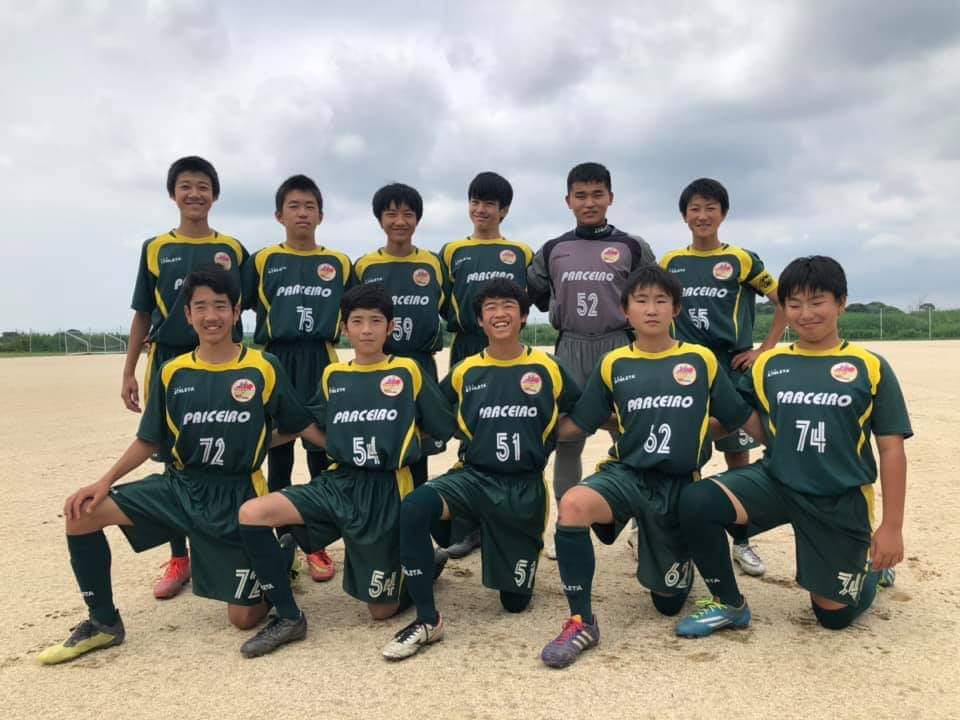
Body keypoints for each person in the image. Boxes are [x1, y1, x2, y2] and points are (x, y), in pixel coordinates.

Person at [38, 265, 323, 665]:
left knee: (243, 620)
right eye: (200, 306)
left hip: (237, 495)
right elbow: (149, 439)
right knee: (82, 514)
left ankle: (276, 557)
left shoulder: (263, 367)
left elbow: (298, 423)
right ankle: (103, 622)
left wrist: (340, 452)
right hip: (180, 486)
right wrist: (103, 481)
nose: (211, 316)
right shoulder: (172, 371)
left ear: (236, 312)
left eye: (220, 306)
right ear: (187, 315)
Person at [537, 265, 763, 668]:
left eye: (661, 300)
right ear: (625, 310)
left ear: (676, 309)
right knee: (573, 505)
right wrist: (529, 426)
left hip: (680, 485)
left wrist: (784, 446)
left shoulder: (700, 359)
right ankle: (581, 621)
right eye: (641, 301)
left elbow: (737, 417)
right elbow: (580, 424)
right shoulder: (614, 362)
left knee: (668, 603)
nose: (651, 309)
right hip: (627, 474)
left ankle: (669, 554)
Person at [674, 256, 911, 637]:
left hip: (837, 496)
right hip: (777, 481)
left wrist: (892, 526)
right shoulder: (769, 364)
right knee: (697, 501)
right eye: (794, 304)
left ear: (841, 302)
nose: (806, 314)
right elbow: (742, 419)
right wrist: (688, 432)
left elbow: (891, 449)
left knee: (832, 617)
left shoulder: (869, 366)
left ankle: (870, 572)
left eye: (817, 302)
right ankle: (729, 603)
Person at [234, 283, 456, 658]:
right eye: (357, 321)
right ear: (344, 327)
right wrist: (257, 442)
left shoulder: (408, 370)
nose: (366, 330)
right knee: (254, 513)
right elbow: (307, 423)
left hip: (387, 489)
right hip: (339, 481)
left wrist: (404, 440)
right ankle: (289, 617)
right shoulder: (333, 376)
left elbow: (442, 426)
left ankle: (419, 565)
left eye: (376, 321)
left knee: (380, 611)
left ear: (390, 327)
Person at [382, 278, 581, 661]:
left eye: (508, 306)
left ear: (524, 316)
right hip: (473, 478)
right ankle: (427, 619)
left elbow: (585, 413)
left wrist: (547, 434)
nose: (499, 314)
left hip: (523, 489)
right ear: (479, 319)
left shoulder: (548, 367)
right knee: (416, 506)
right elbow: (433, 414)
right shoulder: (466, 370)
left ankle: (495, 541)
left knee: (514, 603)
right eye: (490, 307)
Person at [120, 156, 248, 599]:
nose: (195, 194)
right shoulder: (156, 247)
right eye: (186, 186)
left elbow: (244, 307)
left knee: (230, 449)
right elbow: (143, 313)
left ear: (215, 194)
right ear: (173, 194)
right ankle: (179, 556)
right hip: (171, 360)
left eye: (203, 186)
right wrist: (129, 371)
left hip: (222, 362)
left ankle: (238, 539)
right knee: (174, 459)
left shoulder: (233, 249)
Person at [660, 178, 788, 577]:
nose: (702, 216)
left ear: (724, 214)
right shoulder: (670, 263)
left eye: (710, 208)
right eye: (695, 208)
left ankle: (742, 540)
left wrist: (764, 349)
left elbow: (783, 300)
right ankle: (666, 530)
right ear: (684, 216)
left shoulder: (742, 260)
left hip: (731, 368)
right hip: (685, 369)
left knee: (737, 454)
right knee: (680, 449)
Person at [527, 162, 654, 557]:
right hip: (570, 348)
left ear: (610, 198)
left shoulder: (633, 246)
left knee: (631, 438)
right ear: (568, 200)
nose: (589, 202)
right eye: (580, 195)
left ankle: (642, 527)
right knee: (567, 440)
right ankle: (568, 524)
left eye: (598, 194)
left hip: (619, 347)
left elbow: (654, 294)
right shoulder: (552, 249)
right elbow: (536, 292)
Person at [244, 174, 353, 583]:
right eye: (294, 206)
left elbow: (358, 311)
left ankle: (316, 544)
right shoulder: (262, 260)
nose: (302, 213)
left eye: (310, 206)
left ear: (321, 215)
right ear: (279, 215)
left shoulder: (339, 263)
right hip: (276, 358)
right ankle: (283, 542)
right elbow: (233, 303)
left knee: (320, 454)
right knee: (278, 455)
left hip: (320, 358)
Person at [439, 171, 533, 558]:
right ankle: (469, 525)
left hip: (508, 349)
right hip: (467, 344)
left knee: (506, 423)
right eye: (475, 202)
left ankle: (507, 518)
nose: (481, 210)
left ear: (503, 210)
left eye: (489, 204)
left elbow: (528, 300)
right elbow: (443, 301)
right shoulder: (451, 251)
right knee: (469, 428)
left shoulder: (521, 253)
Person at [354, 183, 447, 490]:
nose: (400, 221)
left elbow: (446, 307)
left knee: (420, 441)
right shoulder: (365, 265)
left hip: (421, 363)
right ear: (380, 219)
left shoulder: (433, 263)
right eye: (391, 214)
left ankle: (415, 510)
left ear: (417, 219)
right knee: (381, 435)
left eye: (408, 214)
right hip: (380, 364)